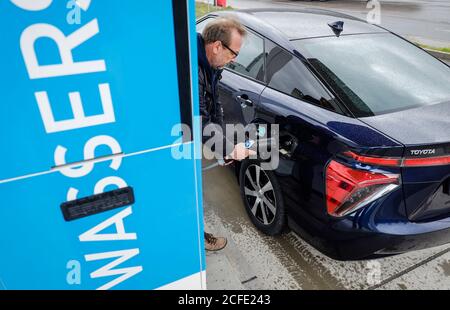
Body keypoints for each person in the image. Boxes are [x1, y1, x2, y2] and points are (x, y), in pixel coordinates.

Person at [197, 17, 255, 251]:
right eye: (234, 54)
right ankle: (192, 242)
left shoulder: (210, 66)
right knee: (181, 198)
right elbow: (199, 120)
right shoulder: (191, 69)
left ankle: (195, 235)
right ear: (217, 46)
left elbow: (214, 108)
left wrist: (224, 146)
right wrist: (229, 149)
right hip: (161, 144)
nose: (234, 60)